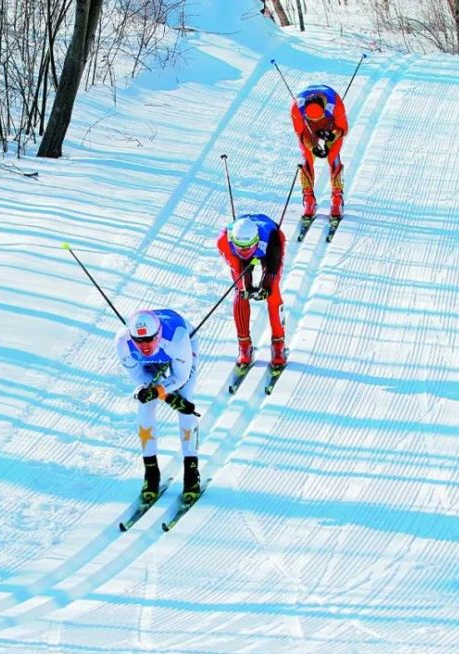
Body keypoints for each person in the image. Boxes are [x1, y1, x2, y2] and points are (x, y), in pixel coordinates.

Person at [115, 308, 201, 503]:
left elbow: (180, 376)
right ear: (131, 336)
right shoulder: (123, 343)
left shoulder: (177, 340)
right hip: (151, 362)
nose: (145, 346)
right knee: (145, 405)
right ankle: (151, 473)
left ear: (158, 334)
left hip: (183, 346)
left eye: (149, 339)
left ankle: (191, 471)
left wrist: (164, 392)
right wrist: (162, 395)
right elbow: (139, 378)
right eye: (139, 341)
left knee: (186, 401)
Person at [216, 214, 287, 369]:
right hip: (241, 254)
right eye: (240, 247)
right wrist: (245, 286)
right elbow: (237, 269)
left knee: (272, 291)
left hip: (268, 247)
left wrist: (266, 286)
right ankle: (244, 346)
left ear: (255, 241)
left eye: (248, 247)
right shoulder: (223, 242)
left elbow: (273, 269)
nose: (245, 251)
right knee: (240, 292)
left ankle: (278, 344)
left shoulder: (272, 237)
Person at [291, 84, 349, 220]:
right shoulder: (296, 108)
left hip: (330, 123)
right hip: (307, 127)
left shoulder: (336, 104)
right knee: (306, 158)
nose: (315, 120)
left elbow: (343, 129)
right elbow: (300, 134)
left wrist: (332, 136)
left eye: (318, 116)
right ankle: (308, 199)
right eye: (312, 117)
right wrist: (313, 148)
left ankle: (337, 198)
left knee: (333, 156)